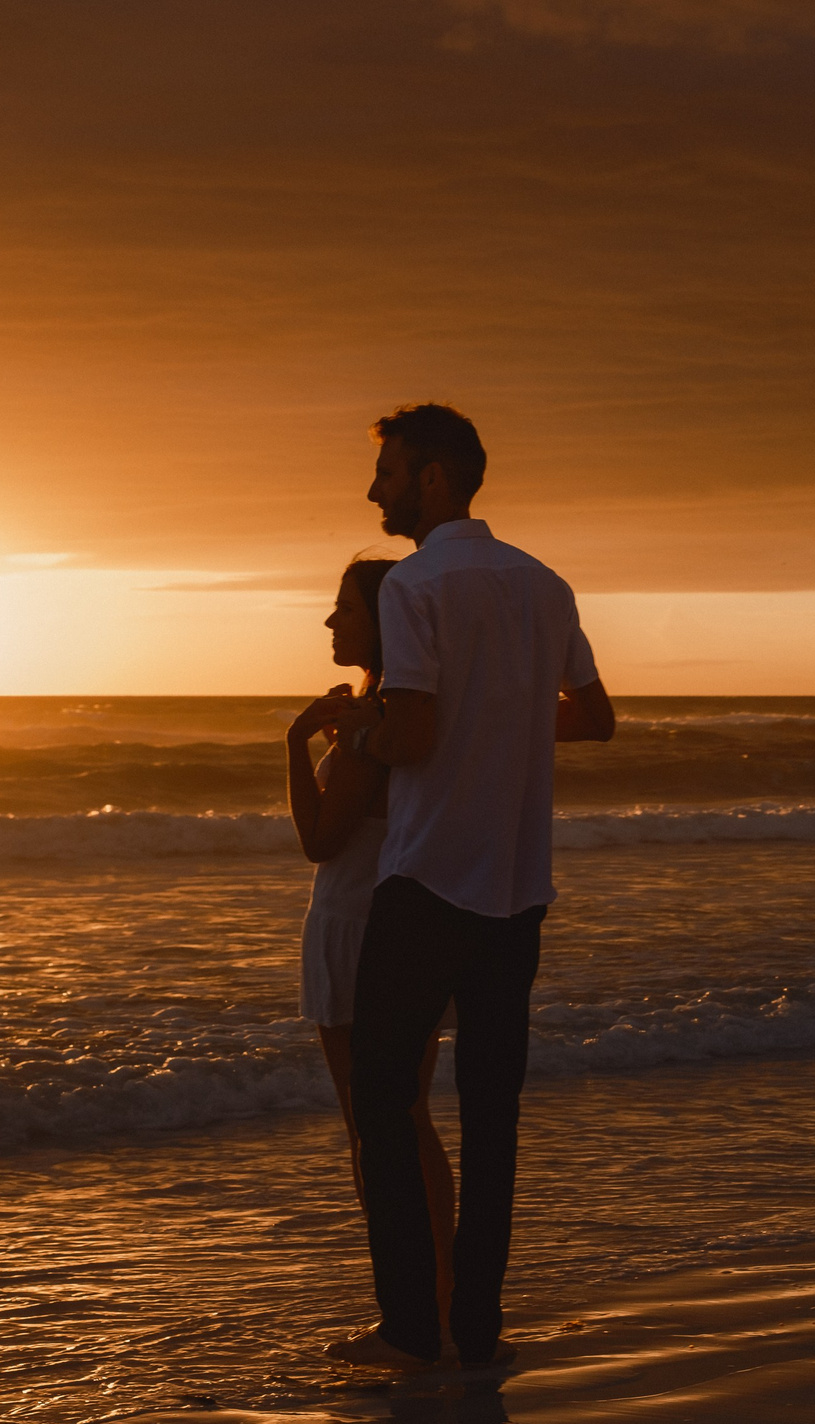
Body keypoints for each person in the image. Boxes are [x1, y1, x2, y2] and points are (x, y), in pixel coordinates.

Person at [305, 403, 616, 1371]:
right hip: (519, 887)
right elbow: (595, 717)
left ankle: (408, 1329)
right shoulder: (543, 584)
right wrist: (511, 719)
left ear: (434, 477)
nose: (376, 490)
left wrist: (350, 735)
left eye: (389, 473)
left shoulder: (418, 586)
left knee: (386, 1102)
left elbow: (415, 735)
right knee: (491, 1116)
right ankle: (474, 1327)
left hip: (430, 879)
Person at [285, 556, 456, 1340]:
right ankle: (442, 1288)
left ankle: (405, 1307)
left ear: (378, 622)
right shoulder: (399, 714)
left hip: (352, 925)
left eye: (341, 608)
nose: (330, 621)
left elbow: (321, 839)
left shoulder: (364, 728)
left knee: (371, 1128)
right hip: (406, 921)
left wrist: (294, 743)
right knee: (412, 1118)